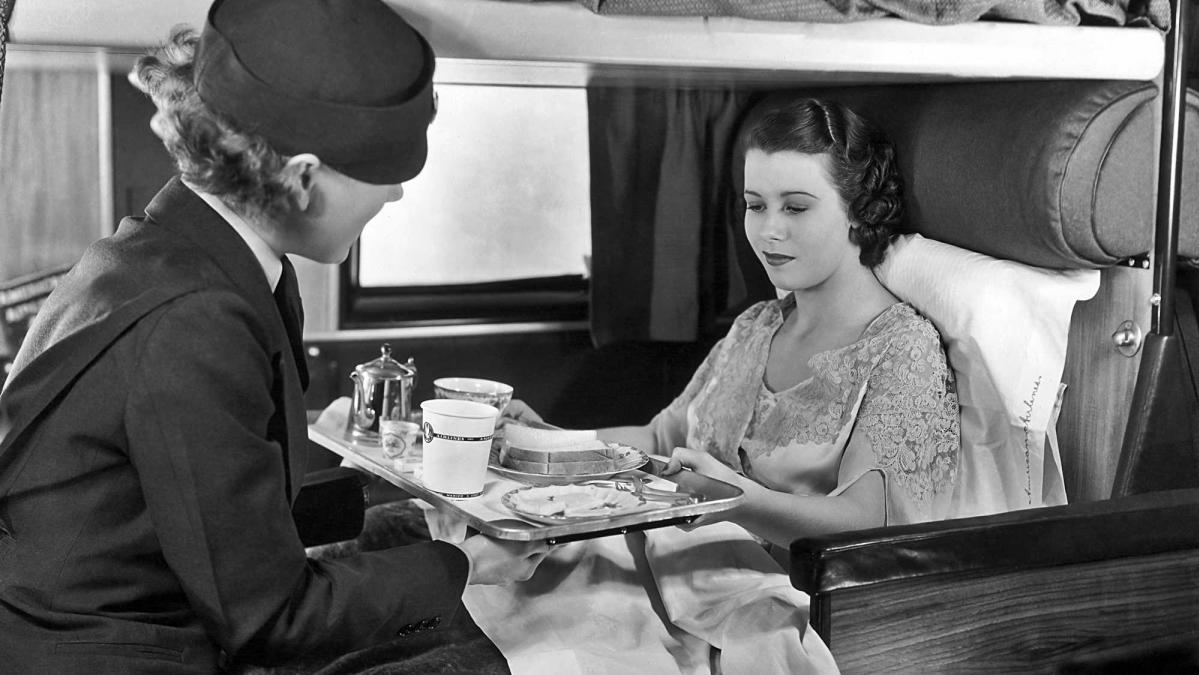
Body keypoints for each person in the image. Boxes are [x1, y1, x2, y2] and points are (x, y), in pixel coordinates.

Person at [0, 1, 548, 673]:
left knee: (404, 543)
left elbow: (212, 508)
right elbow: (270, 618)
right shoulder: (194, 319)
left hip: (149, 607)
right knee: (477, 658)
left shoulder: (173, 249)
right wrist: (462, 566)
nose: (397, 196)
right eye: (387, 176)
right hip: (115, 654)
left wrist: (393, 495)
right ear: (303, 177)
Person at [467, 97, 961, 673]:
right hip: (671, 560)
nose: (769, 231)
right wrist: (546, 439)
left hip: (770, 600)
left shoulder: (900, 348)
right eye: (756, 206)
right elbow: (658, 439)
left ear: (858, 210)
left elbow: (867, 527)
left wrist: (736, 501)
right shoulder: (757, 326)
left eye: (796, 207)